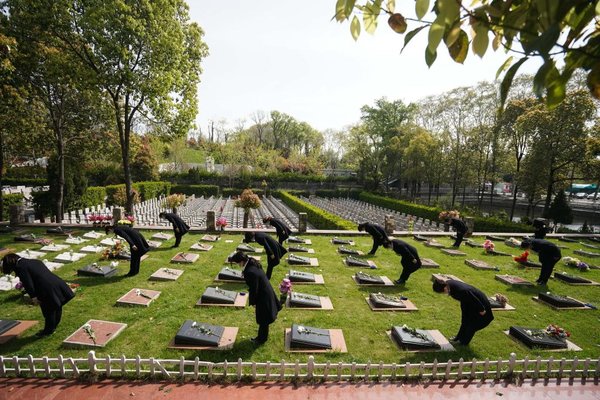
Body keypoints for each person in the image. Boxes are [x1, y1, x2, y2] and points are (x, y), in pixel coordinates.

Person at [2, 253, 74, 337]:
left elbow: (28, 283)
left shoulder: (21, 267)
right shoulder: (34, 261)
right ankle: (54, 326)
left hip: (46, 289)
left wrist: (33, 297)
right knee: (57, 305)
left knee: (49, 310)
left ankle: (48, 331)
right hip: (56, 283)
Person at [228, 251, 281, 345]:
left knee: (263, 319)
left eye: (237, 263)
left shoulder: (250, 272)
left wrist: (253, 302)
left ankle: (261, 339)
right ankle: (262, 337)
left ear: (241, 261)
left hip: (263, 295)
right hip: (266, 291)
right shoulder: (252, 262)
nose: (238, 265)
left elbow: (254, 289)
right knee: (264, 318)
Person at [432, 279, 494, 346]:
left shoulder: (461, 291)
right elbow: (465, 298)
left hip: (481, 306)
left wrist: (481, 309)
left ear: (444, 288)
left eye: (442, 292)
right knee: (464, 320)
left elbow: (473, 298)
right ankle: (458, 337)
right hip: (468, 303)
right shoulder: (448, 284)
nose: (443, 293)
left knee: (472, 325)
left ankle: (463, 342)